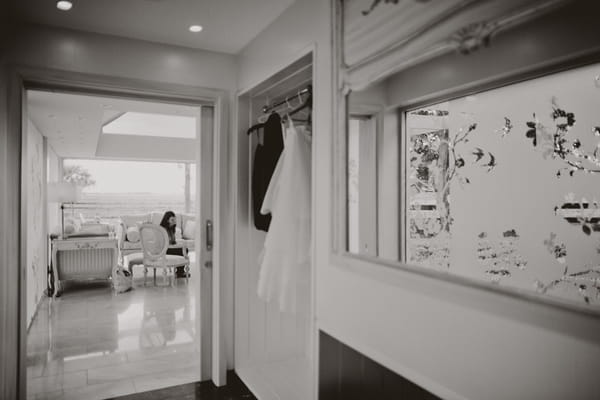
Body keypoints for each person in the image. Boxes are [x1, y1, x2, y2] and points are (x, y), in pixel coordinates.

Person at [159, 210, 188, 278]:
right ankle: (180, 272)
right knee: (184, 251)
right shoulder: (163, 229)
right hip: (164, 250)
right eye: (172, 220)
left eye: (175, 220)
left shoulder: (171, 229)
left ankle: (180, 271)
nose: (174, 222)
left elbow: (173, 241)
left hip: (169, 248)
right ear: (167, 220)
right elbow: (165, 243)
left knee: (184, 250)